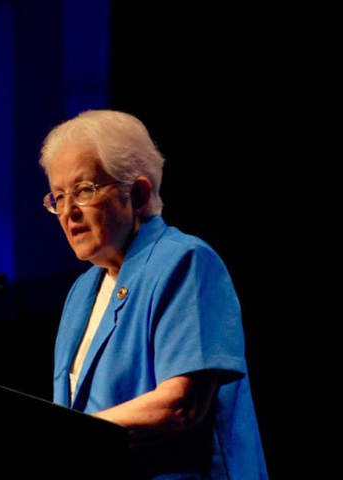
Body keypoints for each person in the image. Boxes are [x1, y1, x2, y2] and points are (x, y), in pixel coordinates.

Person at [39, 110, 268, 479]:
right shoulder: (81, 293)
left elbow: (181, 404)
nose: (69, 212)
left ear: (139, 194)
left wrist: (59, 437)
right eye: (59, 197)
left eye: (84, 190)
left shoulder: (185, 261)